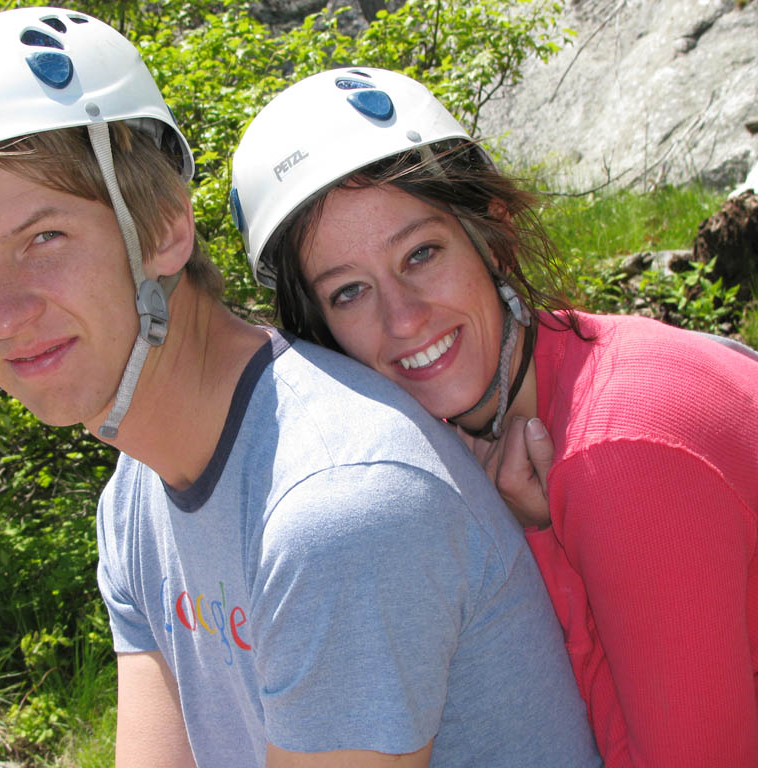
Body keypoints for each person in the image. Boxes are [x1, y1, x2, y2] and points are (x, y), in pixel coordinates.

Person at [0, 13, 601, 766]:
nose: (3, 315)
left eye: (42, 239)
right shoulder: (135, 501)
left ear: (165, 229)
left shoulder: (338, 504)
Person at [230, 66, 758, 767]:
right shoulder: (553, 380)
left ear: (492, 234)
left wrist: (534, 542)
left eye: (421, 254)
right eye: (350, 292)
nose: (404, 318)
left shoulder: (620, 448)